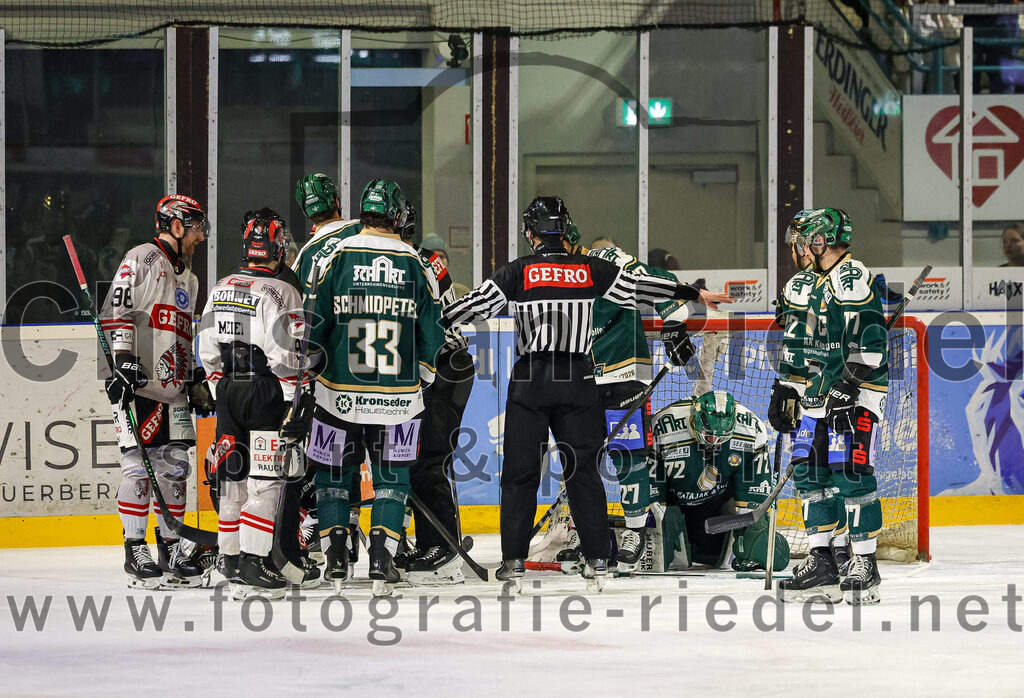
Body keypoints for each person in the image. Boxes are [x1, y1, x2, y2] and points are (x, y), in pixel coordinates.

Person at [445, 195, 734, 591]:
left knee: (519, 473)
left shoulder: (518, 271)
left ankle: (513, 559)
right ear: (565, 231)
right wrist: (692, 294)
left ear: (531, 234)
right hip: (578, 376)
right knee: (584, 472)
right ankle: (597, 557)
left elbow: (471, 307)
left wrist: (428, 318)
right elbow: (641, 287)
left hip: (531, 379)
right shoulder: (590, 269)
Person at [281, 178, 444, 597]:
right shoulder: (414, 261)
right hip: (399, 401)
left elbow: (313, 325)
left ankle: (335, 558)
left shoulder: (332, 256)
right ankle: (382, 562)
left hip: (336, 396)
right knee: (393, 481)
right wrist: (421, 380)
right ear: (395, 214)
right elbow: (432, 333)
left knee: (333, 477)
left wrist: (311, 375)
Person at [554, 226, 695, 574]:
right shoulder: (551, 276)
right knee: (578, 461)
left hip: (623, 374)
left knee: (628, 458)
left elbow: (655, 279)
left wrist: (674, 323)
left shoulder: (605, 260)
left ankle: (634, 534)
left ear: (573, 242)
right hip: (580, 379)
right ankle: (581, 533)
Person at [197, 208, 315, 600]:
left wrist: (220, 389)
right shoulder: (282, 291)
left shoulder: (221, 285)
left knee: (232, 480)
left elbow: (206, 349)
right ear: (278, 248)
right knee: (265, 483)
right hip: (265, 391)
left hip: (230, 389)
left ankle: (228, 561)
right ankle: (254, 562)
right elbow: (286, 355)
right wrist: (292, 402)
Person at [100, 194, 213, 589]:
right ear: (177, 225)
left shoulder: (191, 279)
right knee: (138, 467)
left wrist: (195, 376)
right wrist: (124, 361)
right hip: (139, 385)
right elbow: (116, 311)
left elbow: (183, 334)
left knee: (176, 471)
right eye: (197, 227)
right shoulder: (142, 258)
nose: (201, 236)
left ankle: (172, 546)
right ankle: (135, 548)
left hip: (175, 392)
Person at [776, 208, 889, 606]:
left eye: (804, 238)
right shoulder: (806, 283)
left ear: (820, 241)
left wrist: (850, 383)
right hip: (816, 394)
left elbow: (871, 340)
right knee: (810, 473)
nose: (798, 246)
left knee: (851, 473)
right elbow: (799, 343)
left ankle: (865, 564)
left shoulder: (851, 275)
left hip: (855, 393)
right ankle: (822, 563)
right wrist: (786, 387)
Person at [397, 201, 475, 585]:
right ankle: (434, 540)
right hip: (440, 366)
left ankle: (443, 550)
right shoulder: (425, 259)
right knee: (416, 460)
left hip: (444, 367)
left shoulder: (409, 262)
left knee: (427, 458)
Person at [292, 172, 364, 572]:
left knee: (333, 458)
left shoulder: (305, 256)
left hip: (330, 372)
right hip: (381, 368)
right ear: (337, 199)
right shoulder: (363, 232)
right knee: (387, 462)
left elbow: (305, 318)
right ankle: (379, 536)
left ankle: (331, 533)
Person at [649, 391, 789, 572]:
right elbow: (651, 484)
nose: (714, 442)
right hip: (672, 506)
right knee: (655, 561)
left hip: (715, 505)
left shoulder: (752, 429)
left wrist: (753, 532)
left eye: (721, 438)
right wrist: (656, 517)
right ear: (695, 420)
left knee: (773, 556)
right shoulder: (663, 426)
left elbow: (753, 497)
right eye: (709, 436)